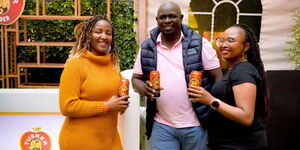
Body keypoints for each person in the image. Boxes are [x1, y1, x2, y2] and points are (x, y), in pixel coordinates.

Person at [132, 1, 223, 150]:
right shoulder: (147, 47)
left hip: (197, 125)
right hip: (162, 126)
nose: (167, 20)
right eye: (163, 17)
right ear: (157, 20)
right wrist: (144, 88)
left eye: (172, 16)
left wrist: (214, 112)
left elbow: (218, 79)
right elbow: (136, 78)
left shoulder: (200, 44)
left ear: (181, 18)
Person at [188, 24, 270, 150]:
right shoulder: (234, 69)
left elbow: (246, 117)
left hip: (241, 145)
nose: (223, 45)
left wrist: (210, 100)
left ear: (246, 46)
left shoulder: (243, 71)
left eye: (231, 40)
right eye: (221, 40)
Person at [59, 15, 130, 150]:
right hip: (79, 143)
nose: (104, 36)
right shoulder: (75, 65)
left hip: (110, 141)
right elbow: (67, 106)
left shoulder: (113, 66)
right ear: (88, 35)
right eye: (98, 32)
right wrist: (106, 106)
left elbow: (114, 98)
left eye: (108, 33)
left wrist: (121, 103)